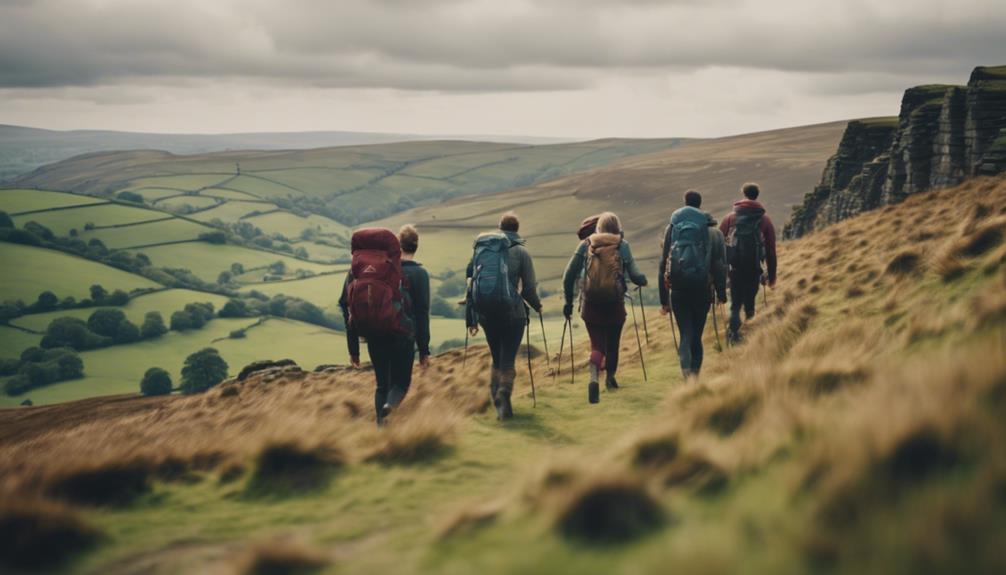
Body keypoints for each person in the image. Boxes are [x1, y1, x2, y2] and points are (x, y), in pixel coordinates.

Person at [339, 225, 430, 425]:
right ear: (416, 246)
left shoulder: (359, 270)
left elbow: (346, 305)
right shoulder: (419, 274)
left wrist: (353, 349)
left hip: (374, 333)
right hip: (403, 336)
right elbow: (422, 313)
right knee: (401, 384)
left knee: (382, 385)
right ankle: (390, 406)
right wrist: (424, 349)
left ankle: (381, 429)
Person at [562, 212, 647, 403]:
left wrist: (568, 302)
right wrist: (642, 280)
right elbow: (634, 274)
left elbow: (568, 275)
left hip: (591, 304)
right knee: (613, 344)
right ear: (618, 228)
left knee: (597, 345)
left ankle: (593, 377)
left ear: (599, 227)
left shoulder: (586, 245)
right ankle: (610, 378)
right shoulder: (622, 245)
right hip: (615, 303)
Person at [466, 211, 541, 421]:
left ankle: (496, 401)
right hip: (513, 315)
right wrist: (538, 306)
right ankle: (503, 394)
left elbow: (471, 282)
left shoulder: (483, 249)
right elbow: (528, 289)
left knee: (496, 357)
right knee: (508, 361)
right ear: (516, 230)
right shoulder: (521, 252)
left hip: (487, 314)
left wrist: (471, 318)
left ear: (500, 228)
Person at [659, 190, 727, 379]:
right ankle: (695, 378)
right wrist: (721, 293)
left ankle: (686, 375)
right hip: (702, 289)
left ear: (685, 203)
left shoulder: (672, 229)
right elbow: (719, 265)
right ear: (700, 204)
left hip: (678, 289)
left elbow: (663, 262)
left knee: (685, 334)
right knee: (697, 334)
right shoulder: (713, 232)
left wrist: (664, 300)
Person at [719, 182, 777, 343]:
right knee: (750, 303)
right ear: (757, 195)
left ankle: (734, 337)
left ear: (743, 194)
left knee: (735, 304)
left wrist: (720, 273)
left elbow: (719, 243)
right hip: (753, 269)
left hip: (734, 268)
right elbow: (771, 251)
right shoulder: (764, 219)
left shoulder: (730, 218)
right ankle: (751, 335)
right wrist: (771, 278)